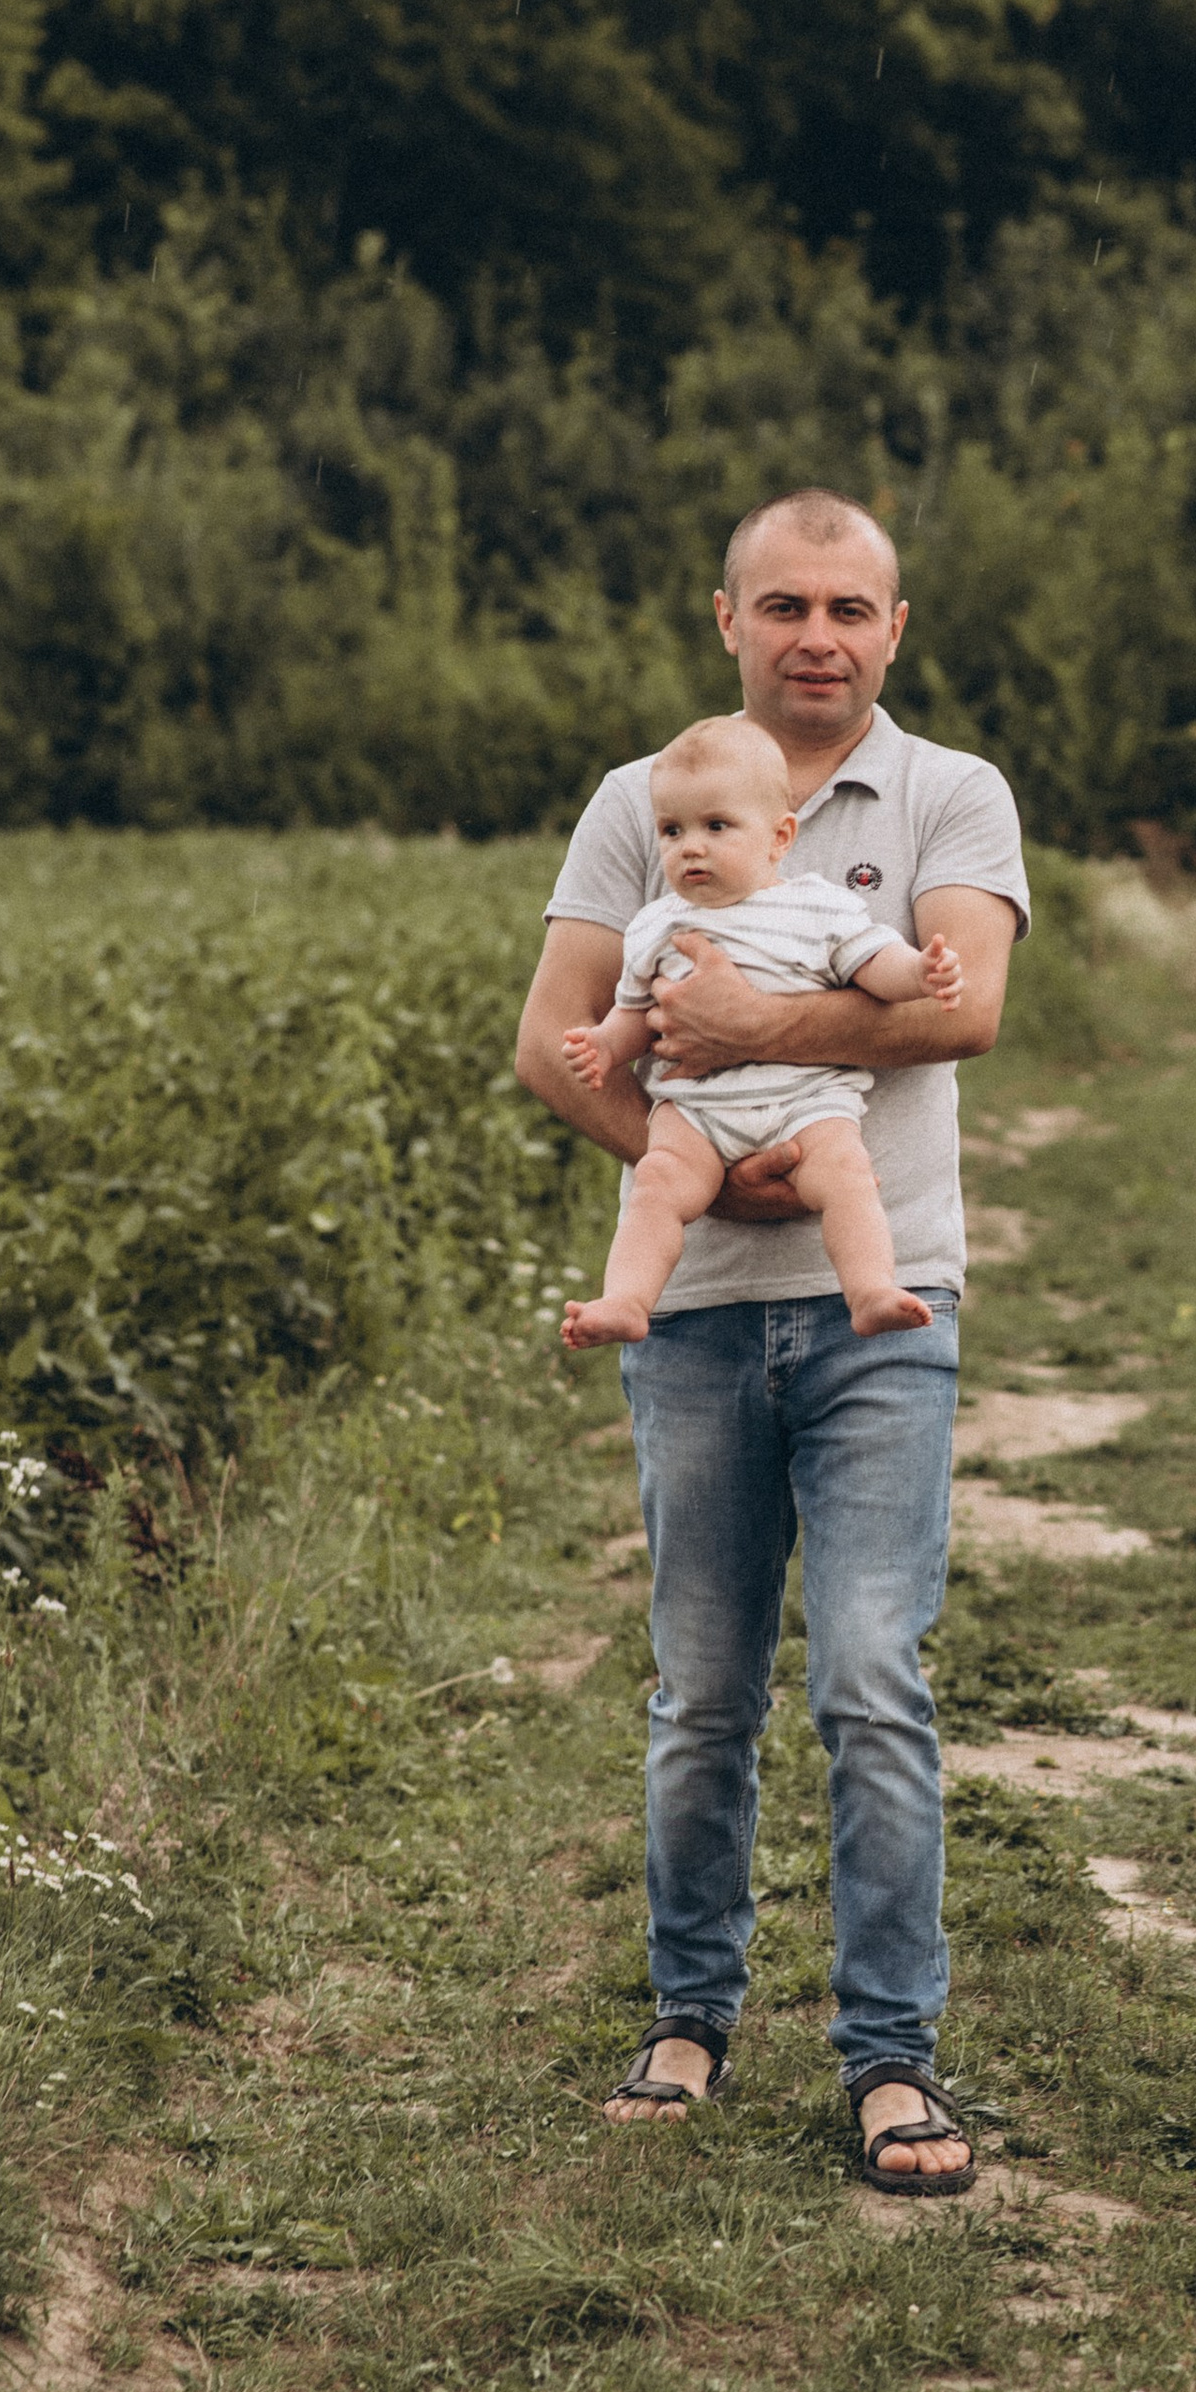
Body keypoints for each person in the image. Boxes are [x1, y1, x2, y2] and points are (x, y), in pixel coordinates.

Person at [515, 490, 1030, 2191]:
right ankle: (687, 2014)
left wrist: (749, 1024)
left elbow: (963, 1001)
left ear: (896, 626)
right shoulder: (635, 804)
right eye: (784, 603)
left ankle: (891, 2055)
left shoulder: (950, 793)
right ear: (724, 614)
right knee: (706, 1685)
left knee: (873, 1673)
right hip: (701, 1315)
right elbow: (552, 1040)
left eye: (849, 606)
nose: (818, 633)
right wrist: (699, 1185)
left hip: (888, 1296)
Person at [558, 716, 965, 1350]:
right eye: (672, 830)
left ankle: (870, 1289)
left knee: (847, 1175)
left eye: (716, 826)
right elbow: (639, 1012)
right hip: (695, 1110)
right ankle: (627, 1301)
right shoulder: (656, 925)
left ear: (779, 837)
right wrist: (605, 1045)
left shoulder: (817, 907)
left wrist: (921, 971)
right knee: (658, 1183)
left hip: (805, 1104)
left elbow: (873, 965)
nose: (690, 847)